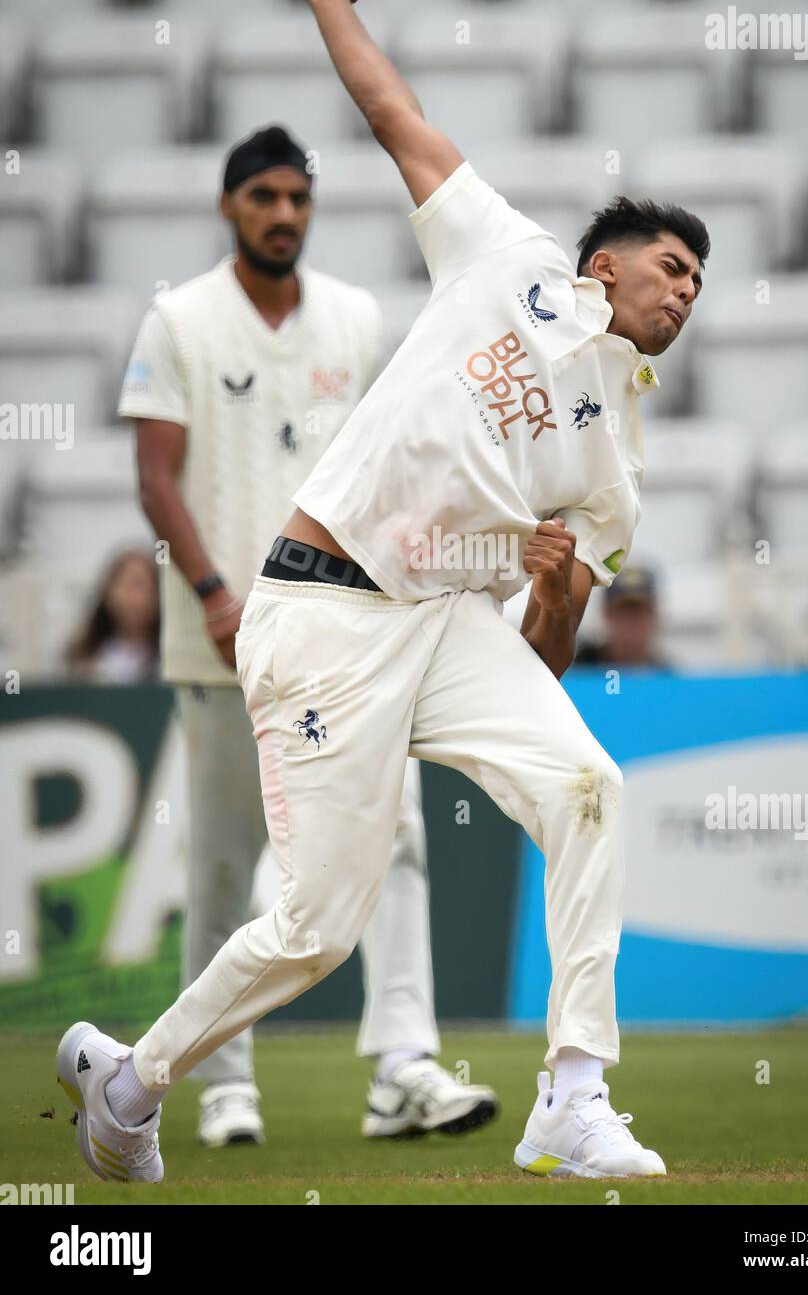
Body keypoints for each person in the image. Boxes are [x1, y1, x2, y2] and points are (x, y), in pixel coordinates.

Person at [57, 0, 708, 1183]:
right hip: (321, 607)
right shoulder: (503, 255)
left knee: (586, 789)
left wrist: (563, 589)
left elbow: (541, 656)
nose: (684, 295)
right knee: (317, 927)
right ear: (605, 263)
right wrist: (324, 3)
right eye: (671, 266)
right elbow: (392, 109)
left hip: (450, 622)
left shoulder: (617, 464)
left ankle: (573, 1094)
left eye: (698, 286)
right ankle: (129, 1081)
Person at [114, 124, 496, 1148]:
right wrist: (206, 590)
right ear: (231, 206)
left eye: (297, 198)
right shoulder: (179, 321)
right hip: (220, 644)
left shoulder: (357, 318)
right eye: (263, 197)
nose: (283, 214)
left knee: (398, 842)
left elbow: (388, 461)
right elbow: (156, 475)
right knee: (227, 865)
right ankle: (223, 1081)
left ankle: (404, 1067)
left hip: (347, 634)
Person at [65, 547, 160, 683]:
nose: (133, 599)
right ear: (107, 592)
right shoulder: (83, 660)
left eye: (140, 586)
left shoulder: (168, 662)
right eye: (126, 586)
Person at [574, 566, 671, 670]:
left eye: (639, 612)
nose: (632, 623)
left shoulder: (671, 678)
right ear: (606, 614)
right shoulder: (572, 671)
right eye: (623, 612)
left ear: (654, 616)